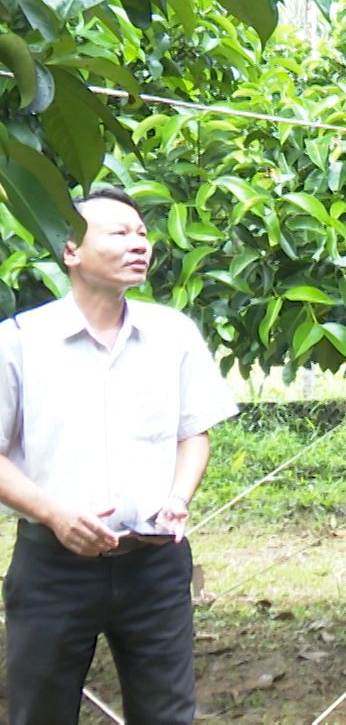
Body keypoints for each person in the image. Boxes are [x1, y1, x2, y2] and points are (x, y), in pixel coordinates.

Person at [0, 185, 238, 724]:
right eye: (119, 233)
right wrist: (56, 514)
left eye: (143, 233)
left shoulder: (171, 333)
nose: (139, 244)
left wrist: (178, 496)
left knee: (168, 714)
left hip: (154, 562)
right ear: (71, 251)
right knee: (40, 712)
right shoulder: (18, 342)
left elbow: (192, 433)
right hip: (52, 566)